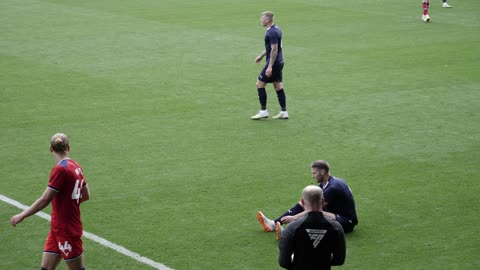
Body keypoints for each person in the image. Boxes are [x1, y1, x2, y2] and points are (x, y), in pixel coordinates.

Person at [10, 133, 90, 270]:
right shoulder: (75, 166)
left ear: (50, 149)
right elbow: (86, 194)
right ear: (68, 148)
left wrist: (22, 215)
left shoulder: (60, 170)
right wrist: (69, 205)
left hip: (67, 230)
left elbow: (45, 199)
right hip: (57, 228)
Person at [257, 160, 358, 240]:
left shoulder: (332, 188)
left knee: (316, 215)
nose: (312, 176)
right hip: (335, 212)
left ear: (322, 172)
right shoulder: (327, 182)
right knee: (306, 202)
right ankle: (273, 224)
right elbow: (310, 204)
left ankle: (288, 233)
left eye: (314, 173)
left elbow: (314, 210)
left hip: (346, 222)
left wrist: (294, 218)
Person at [278, 185, 346, 270]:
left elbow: (283, 262)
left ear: (302, 202)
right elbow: (339, 260)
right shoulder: (336, 227)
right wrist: (321, 261)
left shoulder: (292, 228)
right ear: (323, 201)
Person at [251, 11, 289, 120]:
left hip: (274, 63)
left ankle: (263, 111)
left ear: (267, 20)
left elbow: (274, 49)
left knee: (259, 84)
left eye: (262, 18)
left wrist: (270, 66)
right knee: (278, 86)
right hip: (280, 62)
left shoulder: (271, 33)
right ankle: (284, 112)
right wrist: (261, 55)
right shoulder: (276, 29)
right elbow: (270, 48)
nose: (261, 20)